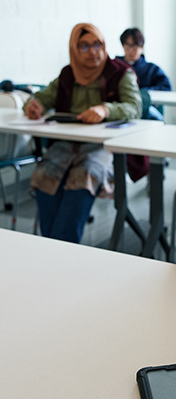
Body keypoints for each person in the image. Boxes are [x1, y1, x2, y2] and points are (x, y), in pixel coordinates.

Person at [23, 23, 142, 243]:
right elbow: (41, 98)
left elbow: (134, 107)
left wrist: (106, 109)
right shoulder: (68, 74)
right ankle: (52, 246)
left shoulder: (121, 72)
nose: (93, 52)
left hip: (104, 147)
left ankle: (60, 250)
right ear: (74, 50)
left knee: (84, 176)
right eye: (84, 47)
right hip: (66, 145)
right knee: (43, 175)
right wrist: (33, 106)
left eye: (97, 44)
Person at [117, 27, 172, 120]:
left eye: (135, 46)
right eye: (128, 45)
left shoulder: (152, 69)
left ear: (141, 47)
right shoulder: (116, 66)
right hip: (121, 110)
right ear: (123, 45)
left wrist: (142, 92)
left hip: (145, 111)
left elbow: (166, 88)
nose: (131, 50)